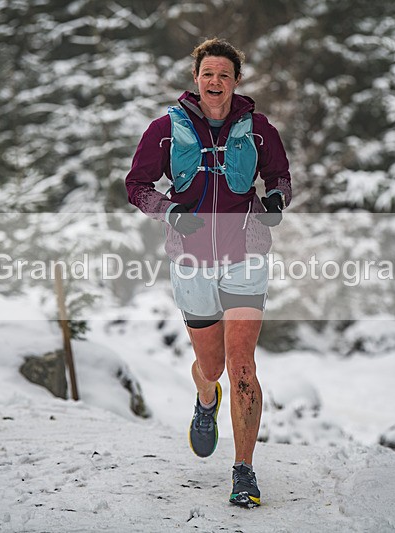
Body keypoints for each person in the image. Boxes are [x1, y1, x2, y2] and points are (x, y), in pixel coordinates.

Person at [125, 38, 292, 507]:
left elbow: (279, 178)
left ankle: (244, 471)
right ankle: (205, 399)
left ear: (236, 80)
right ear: (195, 79)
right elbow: (136, 185)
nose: (214, 82)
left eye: (223, 74)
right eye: (207, 74)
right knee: (213, 367)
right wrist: (169, 211)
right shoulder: (165, 128)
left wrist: (276, 201)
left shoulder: (259, 129)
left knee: (242, 365)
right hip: (192, 259)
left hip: (246, 256)